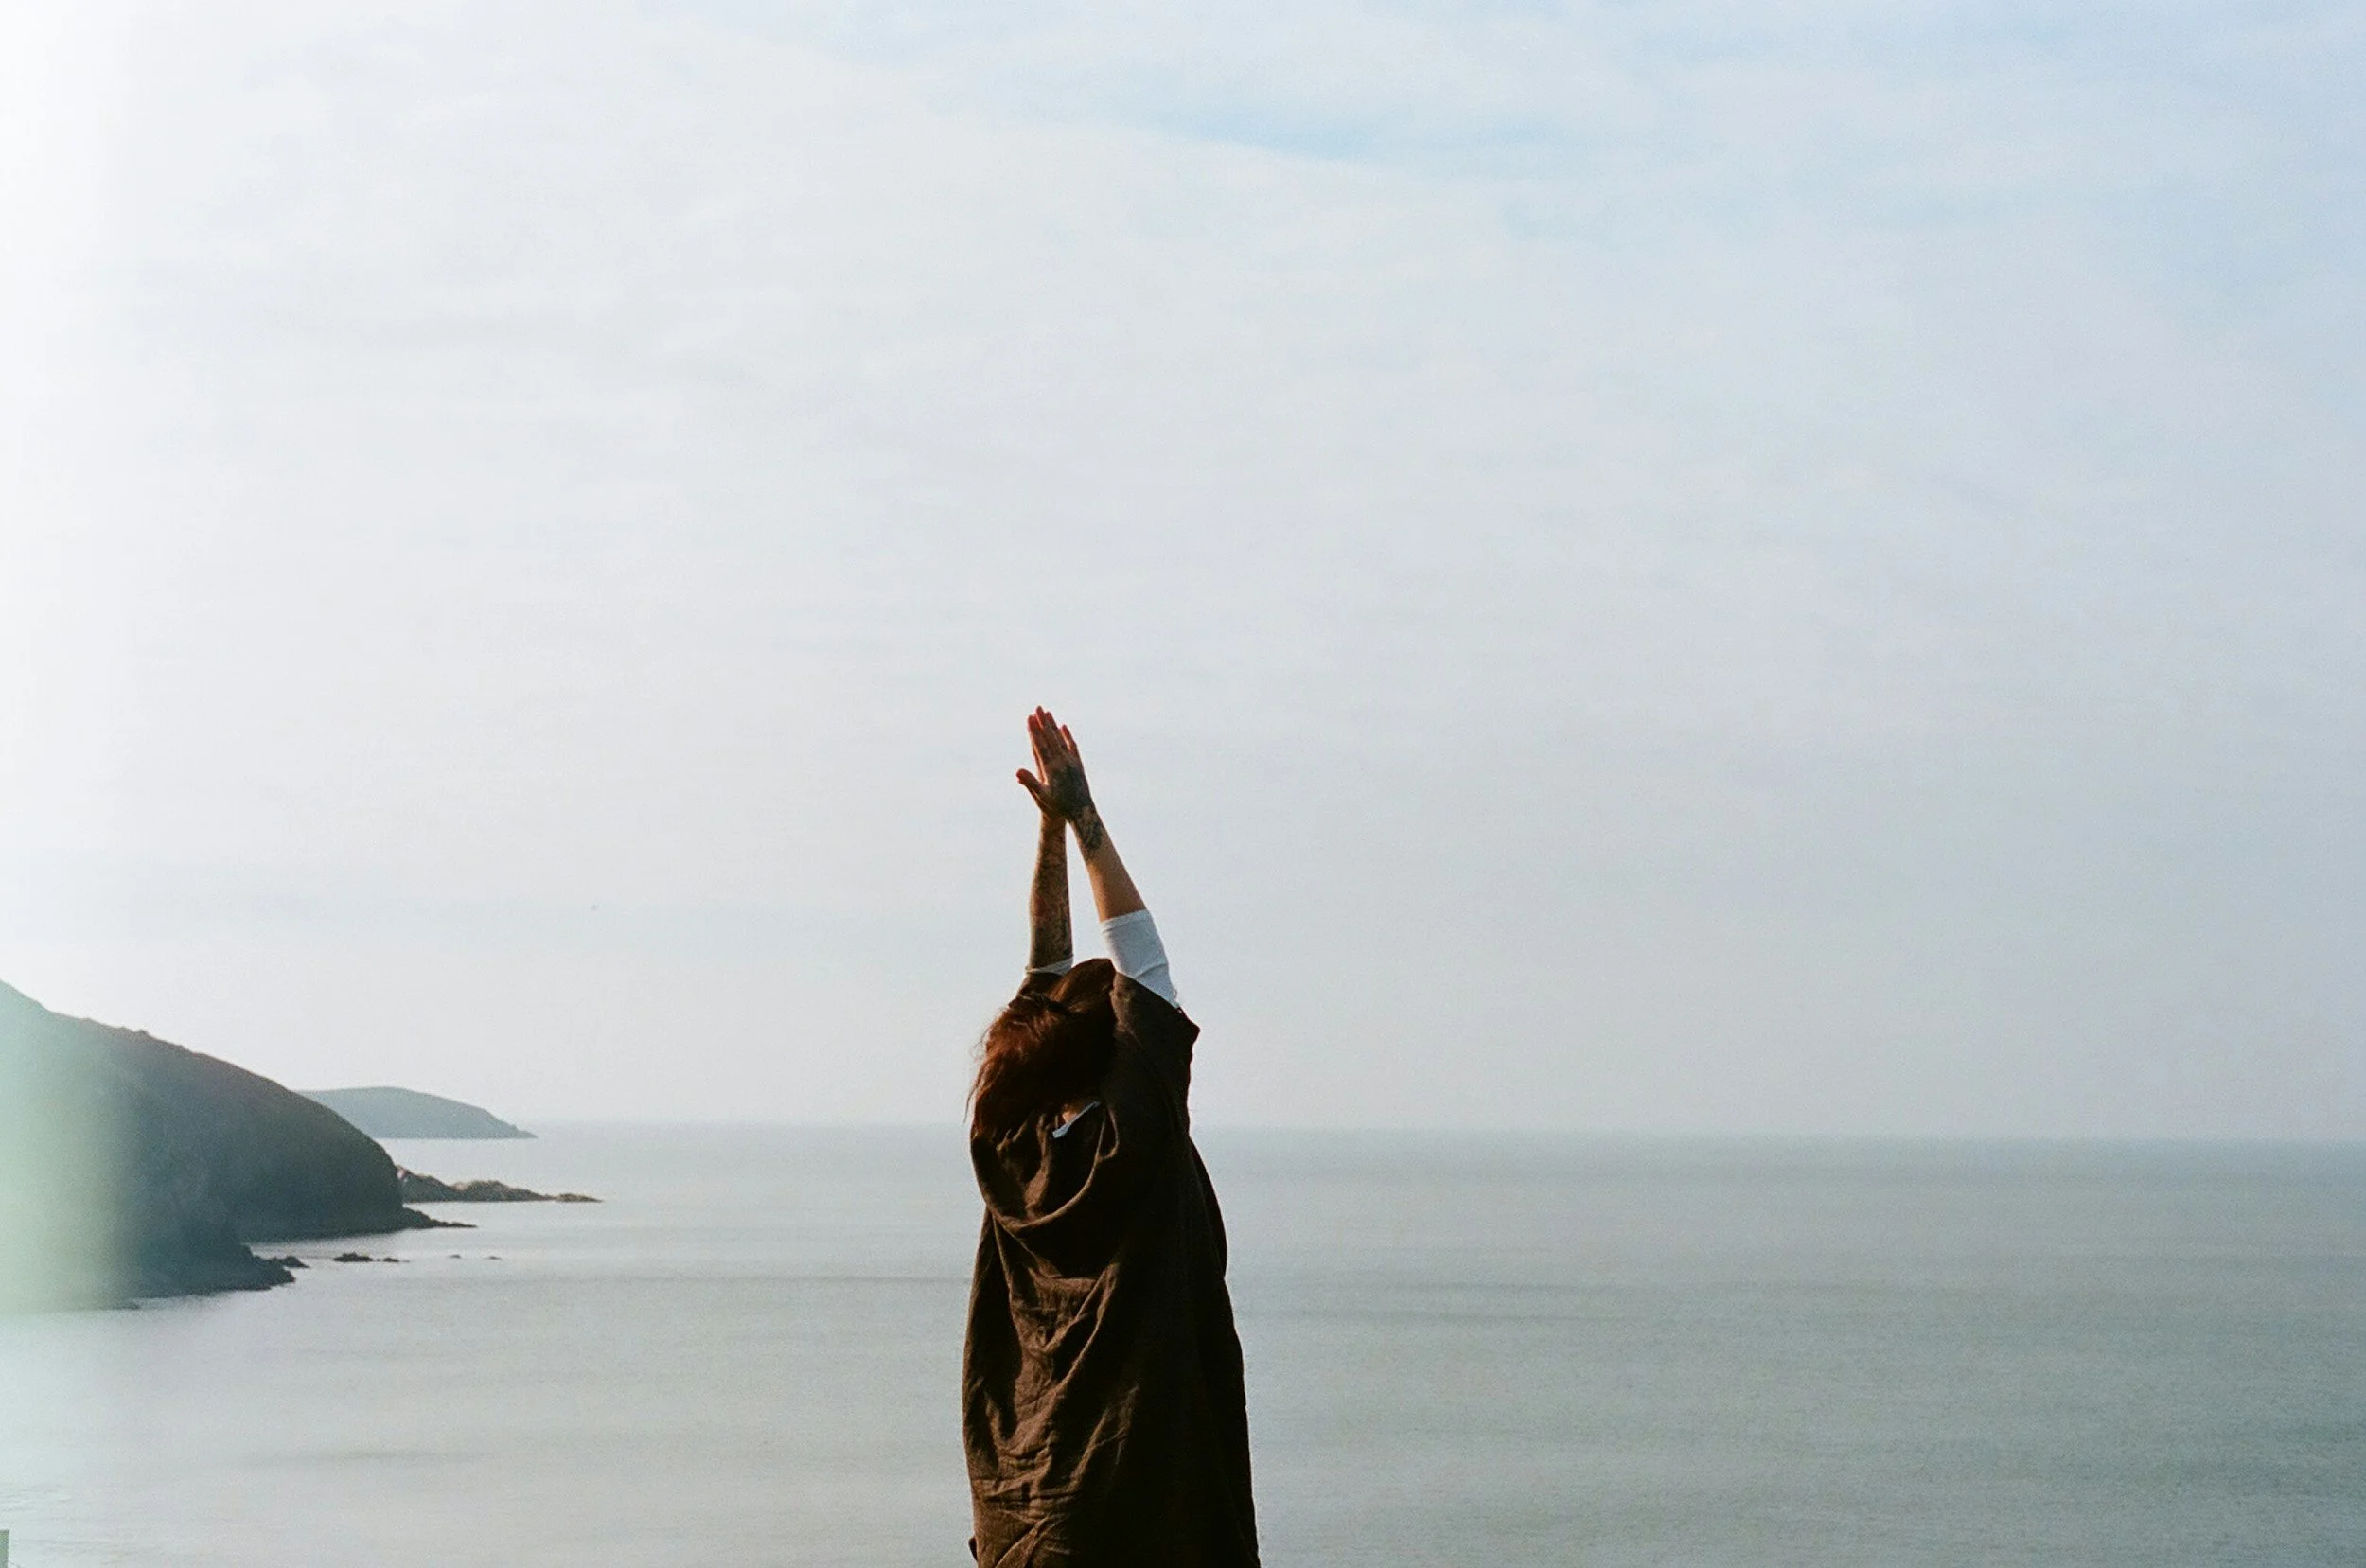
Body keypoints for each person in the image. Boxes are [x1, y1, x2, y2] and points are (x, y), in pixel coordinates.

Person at [962, 708, 1260, 1567]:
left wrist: (1051, 830)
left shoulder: (1006, 1150)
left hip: (1029, 1518)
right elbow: (1142, 965)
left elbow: (1044, 976)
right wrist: (1084, 818)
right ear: (1116, 1054)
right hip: (1142, 1507)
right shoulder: (1137, 1141)